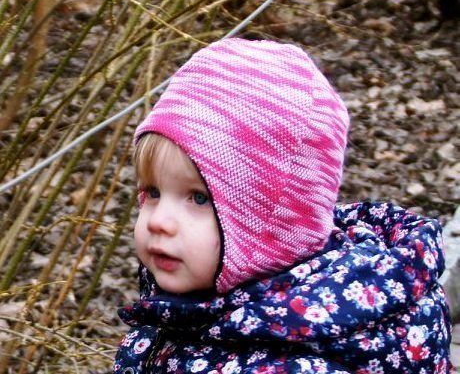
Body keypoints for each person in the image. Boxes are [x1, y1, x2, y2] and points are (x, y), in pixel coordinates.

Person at [113, 38, 452, 374]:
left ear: (276, 223)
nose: (158, 220)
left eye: (199, 198)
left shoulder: (291, 363)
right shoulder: (196, 309)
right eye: (153, 192)